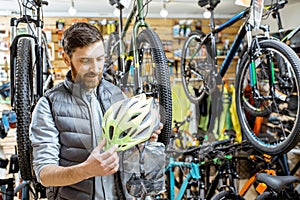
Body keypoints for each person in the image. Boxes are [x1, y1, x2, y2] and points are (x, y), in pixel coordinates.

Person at [29, 22, 162, 200]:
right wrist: (86, 170)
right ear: (67, 59)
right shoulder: (48, 105)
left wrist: (142, 140)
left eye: (100, 59)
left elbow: (127, 154)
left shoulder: (116, 95)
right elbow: (44, 174)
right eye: (85, 61)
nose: (96, 69)